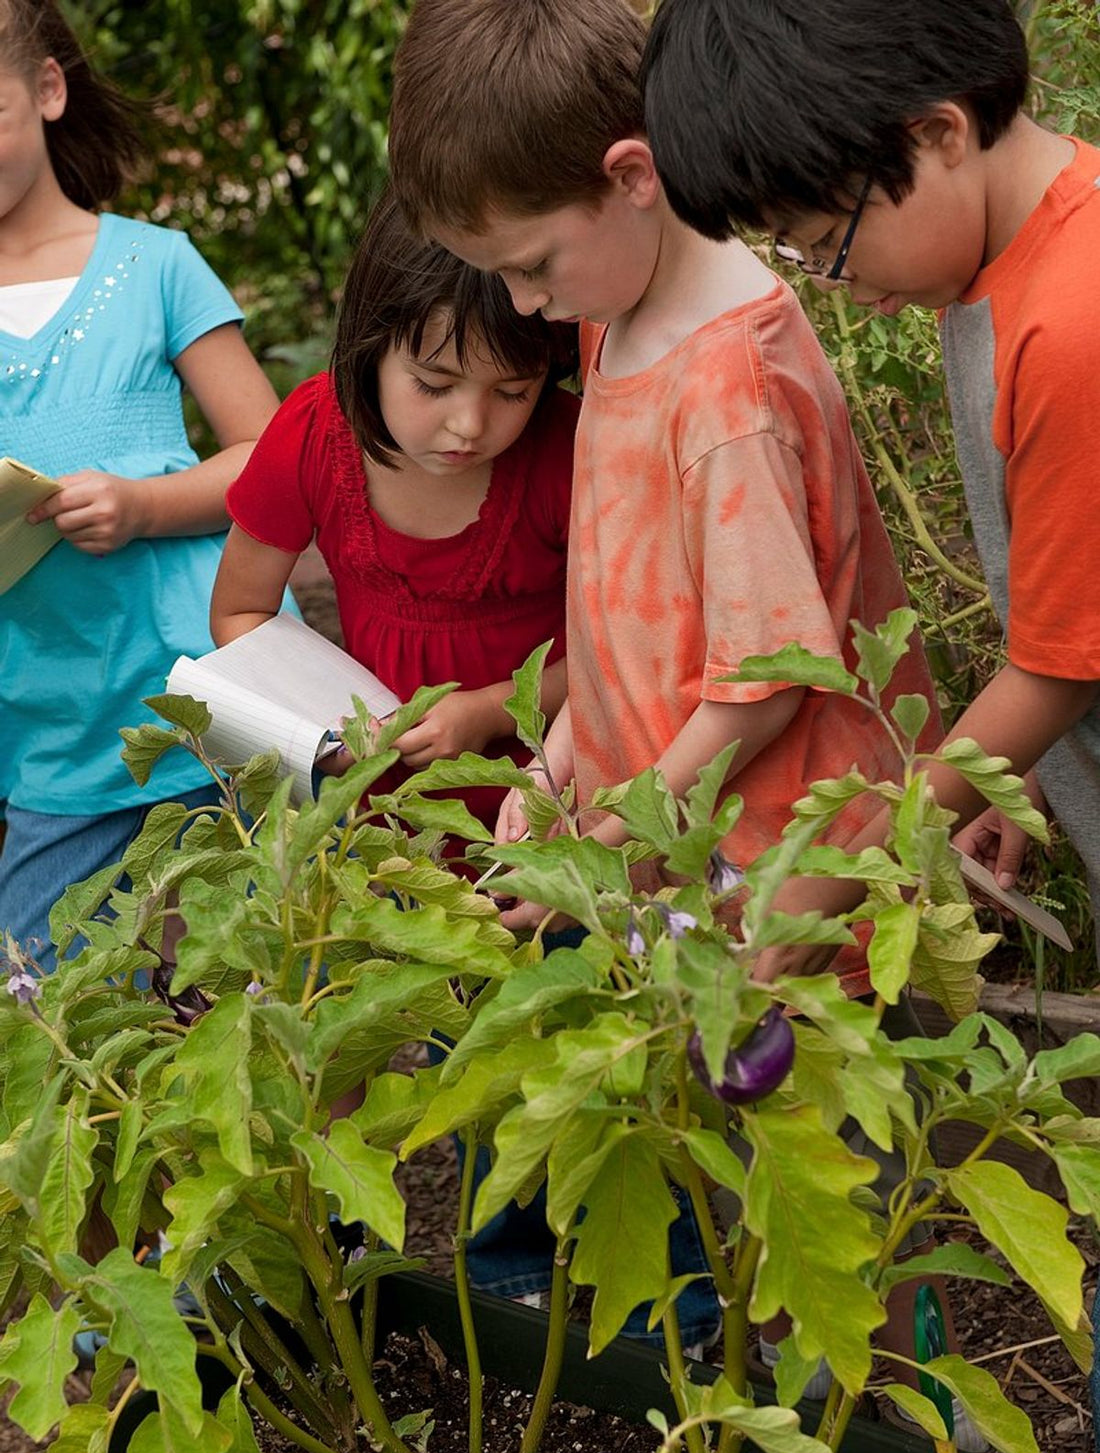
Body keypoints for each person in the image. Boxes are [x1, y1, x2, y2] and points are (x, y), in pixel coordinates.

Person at [385, 0, 961, 1379]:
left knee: (827, 1174)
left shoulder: (728, 387)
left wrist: (620, 822)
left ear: (634, 177)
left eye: (528, 265)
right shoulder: (620, 311)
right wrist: (561, 760)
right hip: (698, 854)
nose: (522, 304)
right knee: (747, 1163)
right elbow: (630, 610)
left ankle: (893, 1415)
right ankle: (787, 1407)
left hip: (791, 870)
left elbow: (764, 679)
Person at [640, 0, 1100, 965]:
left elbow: (1055, 674)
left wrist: (844, 873)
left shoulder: (1073, 324)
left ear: (936, 133)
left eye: (823, 239)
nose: (827, 279)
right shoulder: (995, 265)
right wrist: (1025, 776)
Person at [0, 0, 281, 973]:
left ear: (45, 89)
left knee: (266, 991)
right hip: (50, 734)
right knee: (54, 1025)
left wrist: (142, 505)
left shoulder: (155, 264)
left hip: (206, 698)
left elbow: (274, 458)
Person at [210, 185, 578, 847]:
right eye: (434, 384)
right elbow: (242, 613)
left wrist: (491, 713)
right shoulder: (314, 432)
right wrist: (323, 737)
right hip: (382, 814)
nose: (469, 424)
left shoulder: (566, 455)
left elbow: (621, 655)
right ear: (370, 345)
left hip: (545, 804)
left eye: (513, 391)